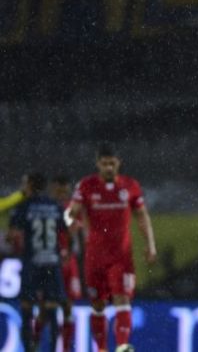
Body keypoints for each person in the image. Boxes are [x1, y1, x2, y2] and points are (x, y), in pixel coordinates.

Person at [68, 144, 157, 352]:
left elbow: (142, 216)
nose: (108, 167)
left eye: (112, 163)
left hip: (121, 256)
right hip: (95, 257)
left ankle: (122, 346)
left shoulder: (130, 186)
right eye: (104, 163)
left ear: (119, 163)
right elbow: (71, 213)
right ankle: (101, 348)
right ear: (98, 164)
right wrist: (70, 223)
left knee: (122, 298)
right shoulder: (86, 186)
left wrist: (150, 245)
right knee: (98, 304)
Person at [7, 173, 67, 351]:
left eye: (25, 183)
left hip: (32, 264)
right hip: (52, 264)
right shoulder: (55, 206)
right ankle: (53, 348)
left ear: (31, 185)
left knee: (27, 311)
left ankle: (29, 348)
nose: (22, 186)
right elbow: (66, 230)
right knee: (51, 310)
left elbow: (12, 236)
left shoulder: (24, 206)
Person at [50, 174, 83, 351]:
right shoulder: (47, 207)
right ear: (53, 189)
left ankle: (65, 348)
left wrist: (69, 252)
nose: (62, 193)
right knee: (47, 307)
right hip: (50, 263)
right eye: (59, 190)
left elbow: (76, 233)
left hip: (68, 263)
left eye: (64, 190)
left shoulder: (72, 208)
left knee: (68, 307)